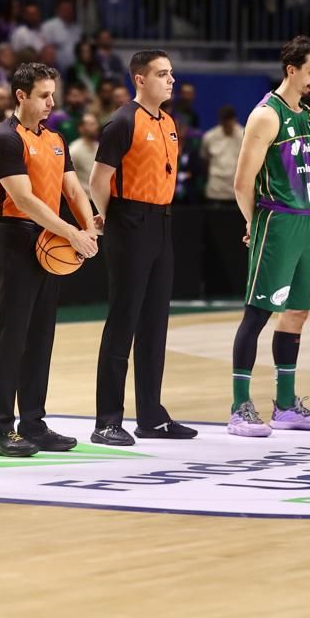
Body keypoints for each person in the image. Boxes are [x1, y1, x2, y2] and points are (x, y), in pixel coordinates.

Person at [0, 62, 99, 456]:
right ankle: (0, 428)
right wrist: (72, 233)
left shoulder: (55, 139)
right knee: (12, 337)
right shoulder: (4, 138)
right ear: (21, 96)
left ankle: (33, 422)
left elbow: (73, 188)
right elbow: (23, 199)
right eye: (44, 95)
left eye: (53, 94)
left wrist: (89, 227)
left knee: (40, 337)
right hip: (16, 236)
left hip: (51, 236)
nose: (52, 102)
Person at [86, 50, 196, 445]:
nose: (170, 80)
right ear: (139, 80)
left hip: (161, 222)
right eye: (162, 74)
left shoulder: (167, 122)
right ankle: (107, 420)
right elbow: (98, 181)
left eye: (171, 73)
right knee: (123, 322)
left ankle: (151, 414)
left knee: (154, 324)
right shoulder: (121, 121)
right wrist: (105, 219)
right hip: (129, 223)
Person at [227, 37, 310, 438]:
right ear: (291, 70)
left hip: (307, 220)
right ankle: (240, 407)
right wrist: (255, 224)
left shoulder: (306, 116)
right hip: (278, 219)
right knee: (258, 313)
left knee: (298, 312)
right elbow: (242, 182)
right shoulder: (265, 116)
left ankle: (286, 405)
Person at [201, 106, 242, 203]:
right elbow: (205, 160)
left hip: (236, 192)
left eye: (229, 120)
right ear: (220, 121)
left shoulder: (245, 135)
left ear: (234, 119)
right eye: (224, 121)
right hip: (216, 190)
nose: (227, 124)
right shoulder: (209, 137)